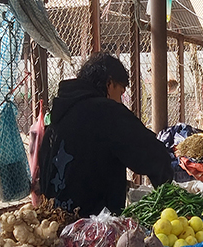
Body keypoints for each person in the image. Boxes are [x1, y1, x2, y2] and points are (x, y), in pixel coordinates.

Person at [38, 52, 174, 217]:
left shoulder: (59, 113)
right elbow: (152, 154)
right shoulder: (107, 112)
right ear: (110, 84)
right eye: (121, 92)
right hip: (96, 229)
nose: (120, 100)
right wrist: (168, 200)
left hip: (54, 222)